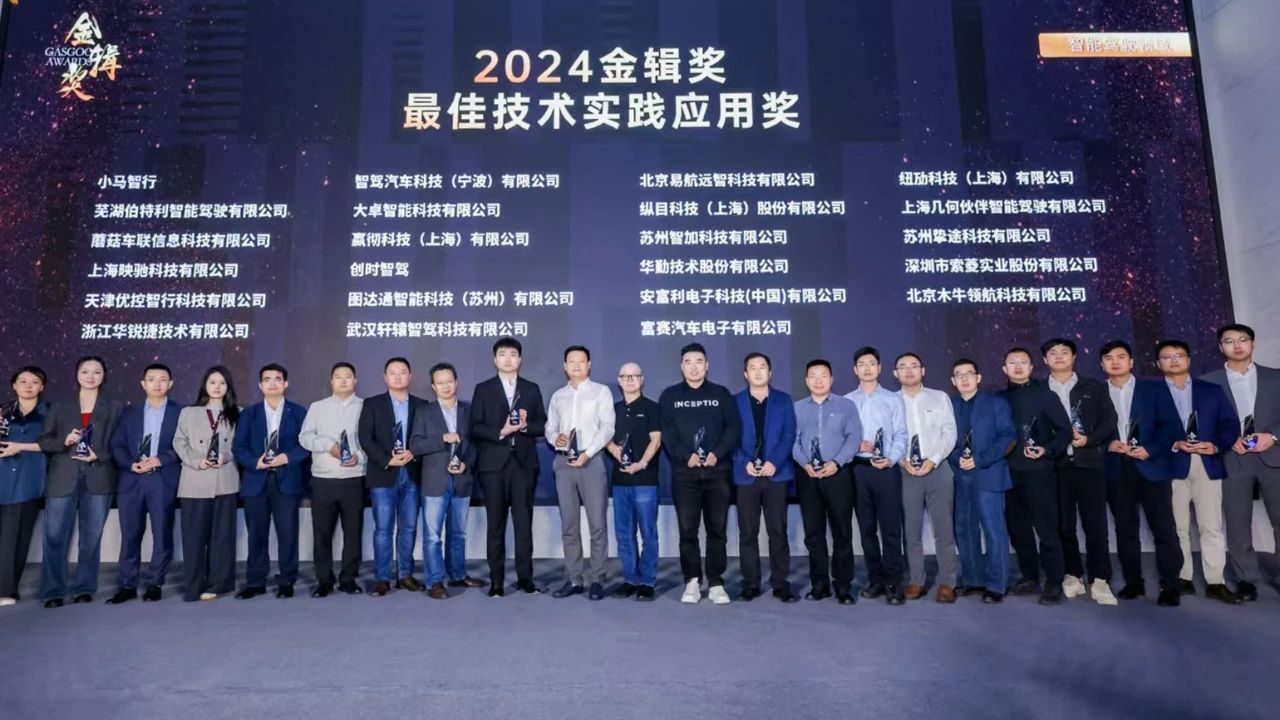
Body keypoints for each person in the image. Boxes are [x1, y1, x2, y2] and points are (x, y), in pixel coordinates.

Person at [1157, 340, 1242, 604]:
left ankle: (1216, 582)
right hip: (1171, 463)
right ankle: (1183, 578)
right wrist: (1173, 443)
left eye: (1179, 355)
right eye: (1167, 357)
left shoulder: (1211, 391)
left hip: (1207, 462)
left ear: (1189, 360)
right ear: (1158, 363)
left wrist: (1215, 445)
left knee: (1211, 526)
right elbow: (1146, 429)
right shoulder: (1151, 393)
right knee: (1177, 527)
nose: (1174, 361)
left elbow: (1230, 425)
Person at [1100, 340, 1184, 606]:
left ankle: (1170, 585)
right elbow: (1091, 430)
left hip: (1151, 466)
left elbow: (1172, 427)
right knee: (1125, 529)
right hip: (1116, 468)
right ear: (1102, 364)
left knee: (1164, 529)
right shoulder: (1096, 393)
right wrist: (1107, 444)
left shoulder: (1154, 389)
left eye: (1121, 356)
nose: (1115, 362)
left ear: (1131, 362)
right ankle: (1133, 581)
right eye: (1109, 358)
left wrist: (1151, 450)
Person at [1201, 323, 1280, 602]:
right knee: (1237, 523)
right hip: (1233, 458)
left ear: (1252, 344)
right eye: (1229, 341)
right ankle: (1246, 578)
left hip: (1273, 456)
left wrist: (1273, 436)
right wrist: (1226, 439)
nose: (1237, 345)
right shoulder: (1207, 382)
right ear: (1220, 347)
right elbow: (1202, 422)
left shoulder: (1275, 377)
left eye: (1243, 339)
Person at [659, 342, 741, 605]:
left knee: (717, 530)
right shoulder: (670, 396)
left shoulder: (721, 393)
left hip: (718, 472)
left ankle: (716, 582)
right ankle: (692, 580)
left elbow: (733, 428)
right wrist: (686, 455)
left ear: (707, 366)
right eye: (688, 362)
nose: (693, 367)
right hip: (685, 474)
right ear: (681, 367)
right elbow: (667, 433)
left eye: (698, 362)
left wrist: (718, 452)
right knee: (688, 530)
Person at [38, 356, 123, 607]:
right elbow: (44, 440)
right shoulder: (60, 405)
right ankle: (53, 590)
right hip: (63, 475)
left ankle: (84, 587)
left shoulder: (115, 406)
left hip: (99, 474)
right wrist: (63, 441)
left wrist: (101, 455)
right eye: (85, 371)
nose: (90, 376)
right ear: (77, 375)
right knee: (54, 536)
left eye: (97, 372)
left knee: (91, 537)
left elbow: (121, 442)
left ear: (103, 376)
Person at [1043, 338, 1118, 606]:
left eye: (1065, 352)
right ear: (1045, 360)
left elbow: (1109, 421)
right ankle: (1072, 574)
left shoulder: (1094, 387)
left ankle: (1100, 578)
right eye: (1053, 353)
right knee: (1064, 525)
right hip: (1056, 467)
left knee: (1095, 525)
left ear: (1074, 357)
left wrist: (1089, 440)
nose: (1059, 356)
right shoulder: (1040, 390)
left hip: (1090, 465)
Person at [470, 337, 547, 597]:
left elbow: (542, 425)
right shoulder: (483, 389)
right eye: (502, 354)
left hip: (523, 465)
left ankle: (526, 579)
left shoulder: (531, 389)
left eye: (512, 354)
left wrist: (525, 426)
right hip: (493, 466)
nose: (507, 359)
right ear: (495, 360)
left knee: (524, 523)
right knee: (496, 524)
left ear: (520, 359)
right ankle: (497, 582)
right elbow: (475, 427)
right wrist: (501, 431)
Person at [1000, 347, 1072, 605]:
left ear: (1031, 367)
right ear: (1004, 369)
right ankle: (1030, 576)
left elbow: (1065, 431)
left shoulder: (1046, 396)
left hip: (1039, 472)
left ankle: (1054, 581)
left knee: (1047, 528)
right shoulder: (998, 399)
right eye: (1012, 362)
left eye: (1023, 362)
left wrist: (1047, 450)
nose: (1018, 366)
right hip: (1007, 473)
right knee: (1018, 529)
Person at [106, 363, 181, 604]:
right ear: (143, 384)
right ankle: (127, 584)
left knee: (162, 533)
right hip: (132, 480)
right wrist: (130, 464)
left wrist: (160, 459)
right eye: (151, 379)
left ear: (170, 383)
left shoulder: (181, 412)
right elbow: (116, 444)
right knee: (130, 534)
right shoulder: (129, 413)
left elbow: (185, 445)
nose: (157, 383)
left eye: (162, 379)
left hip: (162, 478)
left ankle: (155, 583)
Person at [233, 363, 309, 599]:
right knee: (256, 534)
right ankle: (256, 581)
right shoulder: (249, 414)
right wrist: (255, 462)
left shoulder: (298, 412)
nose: (272, 383)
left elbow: (306, 445)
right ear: (260, 385)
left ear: (285, 384)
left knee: (288, 534)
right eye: (267, 379)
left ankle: (287, 580)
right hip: (256, 481)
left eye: (277, 379)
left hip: (287, 481)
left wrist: (288, 457)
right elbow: (239, 447)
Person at [545, 345, 615, 601]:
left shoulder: (601, 392)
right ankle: (574, 578)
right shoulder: (558, 396)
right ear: (565, 366)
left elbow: (607, 427)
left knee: (597, 524)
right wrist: (556, 439)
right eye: (571, 361)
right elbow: (550, 427)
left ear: (589, 365)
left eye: (581, 361)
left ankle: (597, 579)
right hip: (564, 462)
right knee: (569, 525)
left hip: (591, 461)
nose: (576, 365)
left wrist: (589, 452)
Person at [409, 362, 483, 600]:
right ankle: (435, 582)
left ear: (456, 382)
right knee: (432, 536)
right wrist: (442, 438)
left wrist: (466, 464)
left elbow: (476, 444)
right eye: (440, 382)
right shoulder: (424, 412)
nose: (446, 386)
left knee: (458, 533)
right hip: (434, 482)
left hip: (462, 480)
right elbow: (415, 445)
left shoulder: (468, 410)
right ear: (433, 386)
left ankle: (457, 574)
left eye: (449, 381)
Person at [792, 359, 861, 604]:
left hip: (838, 475)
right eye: (813, 375)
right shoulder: (797, 408)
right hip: (808, 476)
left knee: (842, 531)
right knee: (813, 532)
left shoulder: (846, 406)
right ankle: (819, 584)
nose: (818, 380)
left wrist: (837, 463)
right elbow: (793, 440)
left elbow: (854, 437)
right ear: (806, 380)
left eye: (823, 375)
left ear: (831, 379)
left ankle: (843, 585)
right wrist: (805, 464)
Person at [892, 352, 959, 603]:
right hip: (905, 471)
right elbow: (889, 437)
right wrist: (902, 460)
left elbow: (949, 432)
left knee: (944, 529)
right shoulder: (891, 401)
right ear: (895, 373)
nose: (909, 370)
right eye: (903, 367)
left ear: (923, 370)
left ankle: (947, 582)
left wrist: (934, 459)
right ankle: (916, 581)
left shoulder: (939, 397)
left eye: (914, 366)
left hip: (937, 469)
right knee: (911, 530)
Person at [844, 346, 909, 605]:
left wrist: (891, 458)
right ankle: (876, 580)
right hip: (858, 469)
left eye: (872, 363)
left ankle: (894, 583)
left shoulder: (893, 399)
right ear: (855, 370)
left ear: (880, 368)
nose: (867, 368)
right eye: (862, 364)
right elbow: (842, 436)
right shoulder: (847, 401)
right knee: (867, 529)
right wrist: (855, 444)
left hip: (886, 469)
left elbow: (901, 434)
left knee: (891, 528)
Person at [948, 358, 1016, 604]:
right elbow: (943, 437)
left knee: (993, 530)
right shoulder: (949, 405)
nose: (964, 378)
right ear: (953, 381)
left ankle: (997, 584)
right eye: (959, 374)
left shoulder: (996, 403)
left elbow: (1008, 435)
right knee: (964, 530)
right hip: (960, 476)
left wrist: (980, 459)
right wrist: (957, 458)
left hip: (989, 473)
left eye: (969, 373)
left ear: (978, 378)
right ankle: (973, 579)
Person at [731, 352, 797, 603]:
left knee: (777, 531)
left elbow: (789, 434)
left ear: (770, 373)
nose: (758, 372)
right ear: (745, 374)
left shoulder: (783, 400)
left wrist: (774, 462)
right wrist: (743, 462)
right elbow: (730, 437)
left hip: (776, 474)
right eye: (753, 368)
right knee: (747, 532)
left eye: (762, 367)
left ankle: (781, 583)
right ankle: (750, 583)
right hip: (746, 475)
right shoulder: (735, 402)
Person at [359, 357, 427, 596]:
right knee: (383, 529)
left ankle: (405, 575)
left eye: (403, 372)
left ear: (410, 376)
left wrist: (414, 452)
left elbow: (427, 436)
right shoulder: (372, 404)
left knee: (408, 528)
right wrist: (387, 459)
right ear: (385, 377)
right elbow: (365, 438)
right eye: (393, 373)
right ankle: (382, 577)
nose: (398, 377)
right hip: (383, 473)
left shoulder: (422, 405)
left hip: (412, 472)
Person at [173, 365, 241, 602]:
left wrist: (226, 456)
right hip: (194, 480)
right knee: (193, 538)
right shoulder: (189, 413)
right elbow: (179, 442)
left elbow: (240, 445)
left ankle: (220, 583)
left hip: (225, 481)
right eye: (213, 382)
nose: (217, 387)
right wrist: (196, 461)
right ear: (205, 385)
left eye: (222, 383)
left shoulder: (237, 413)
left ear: (228, 387)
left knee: (222, 537)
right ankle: (193, 586)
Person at [299, 362, 366, 598]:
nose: (343, 381)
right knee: (322, 534)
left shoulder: (365, 406)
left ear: (355, 381)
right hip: (323, 479)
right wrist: (328, 445)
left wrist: (359, 457)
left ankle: (348, 579)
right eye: (338, 377)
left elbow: (373, 440)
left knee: (353, 533)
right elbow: (304, 437)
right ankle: (324, 581)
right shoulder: (317, 407)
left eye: (348, 376)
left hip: (354, 478)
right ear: (331, 381)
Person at [605, 362, 662, 601]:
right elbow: (603, 435)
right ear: (619, 380)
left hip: (645, 480)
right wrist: (612, 449)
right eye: (625, 376)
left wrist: (642, 463)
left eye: (634, 376)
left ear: (641, 379)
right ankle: (630, 579)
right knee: (624, 534)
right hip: (620, 481)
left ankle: (647, 581)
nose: (630, 380)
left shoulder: (652, 408)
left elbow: (656, 440)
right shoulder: (611, 409)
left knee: (648, 533)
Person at [0, 367, 50, 607]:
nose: (28, 385)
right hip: (2, 475)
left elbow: (55, 443)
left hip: (27, 480)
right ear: (14, 385)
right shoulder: (3, 411)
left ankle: (7, 590)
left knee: (16, 538)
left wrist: (20, 446)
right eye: (23, 381)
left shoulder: (50, 413)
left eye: (34, 382)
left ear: (42, 387)